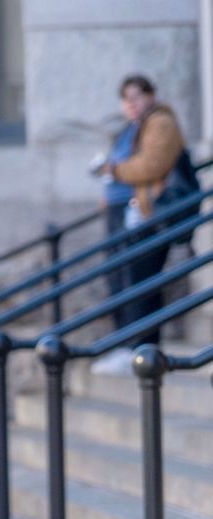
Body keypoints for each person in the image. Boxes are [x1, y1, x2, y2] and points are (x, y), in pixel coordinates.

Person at [91, 74, 186, 375]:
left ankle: (142, 348)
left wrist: (112, 170)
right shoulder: (131, 128)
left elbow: (153, 164)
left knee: (139, 280)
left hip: (146, 214)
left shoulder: (160, 123)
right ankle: (126, 345)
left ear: (151, 95)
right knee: (118, 279)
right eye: (125, 99)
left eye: (136, 97)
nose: (130, 105)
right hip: (123, 212)